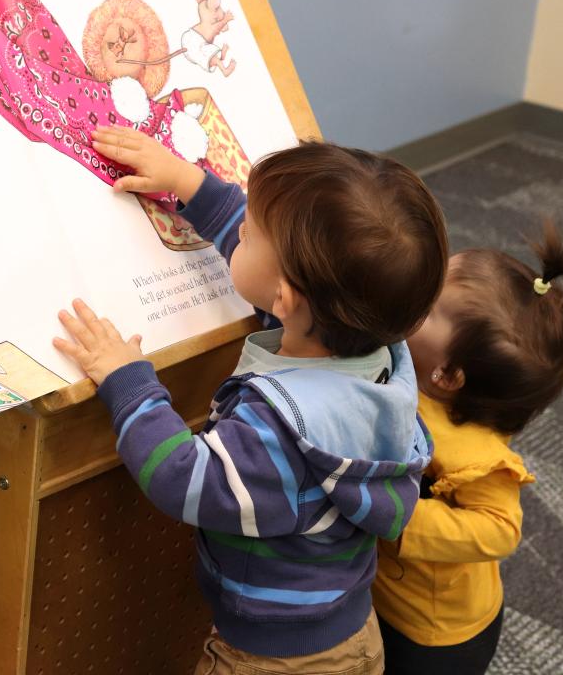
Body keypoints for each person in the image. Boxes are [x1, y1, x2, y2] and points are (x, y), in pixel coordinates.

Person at [55, 127, 447, 674]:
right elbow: (270, 281)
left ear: (286, 297)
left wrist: (127, 379)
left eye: (249, 231)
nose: (239, 226)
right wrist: (187, 182)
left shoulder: (279, 432)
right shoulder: (367, 349)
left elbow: (182, 478)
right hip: (349, 628)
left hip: (274, 659)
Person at [372, 224, 563, 674]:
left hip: (435, 636)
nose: (413, 293)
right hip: (387, 595)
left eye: (426, 303)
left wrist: (403, 517)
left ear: (446, 374)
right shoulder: (414, 368)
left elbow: (501, 529)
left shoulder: (476, 456)